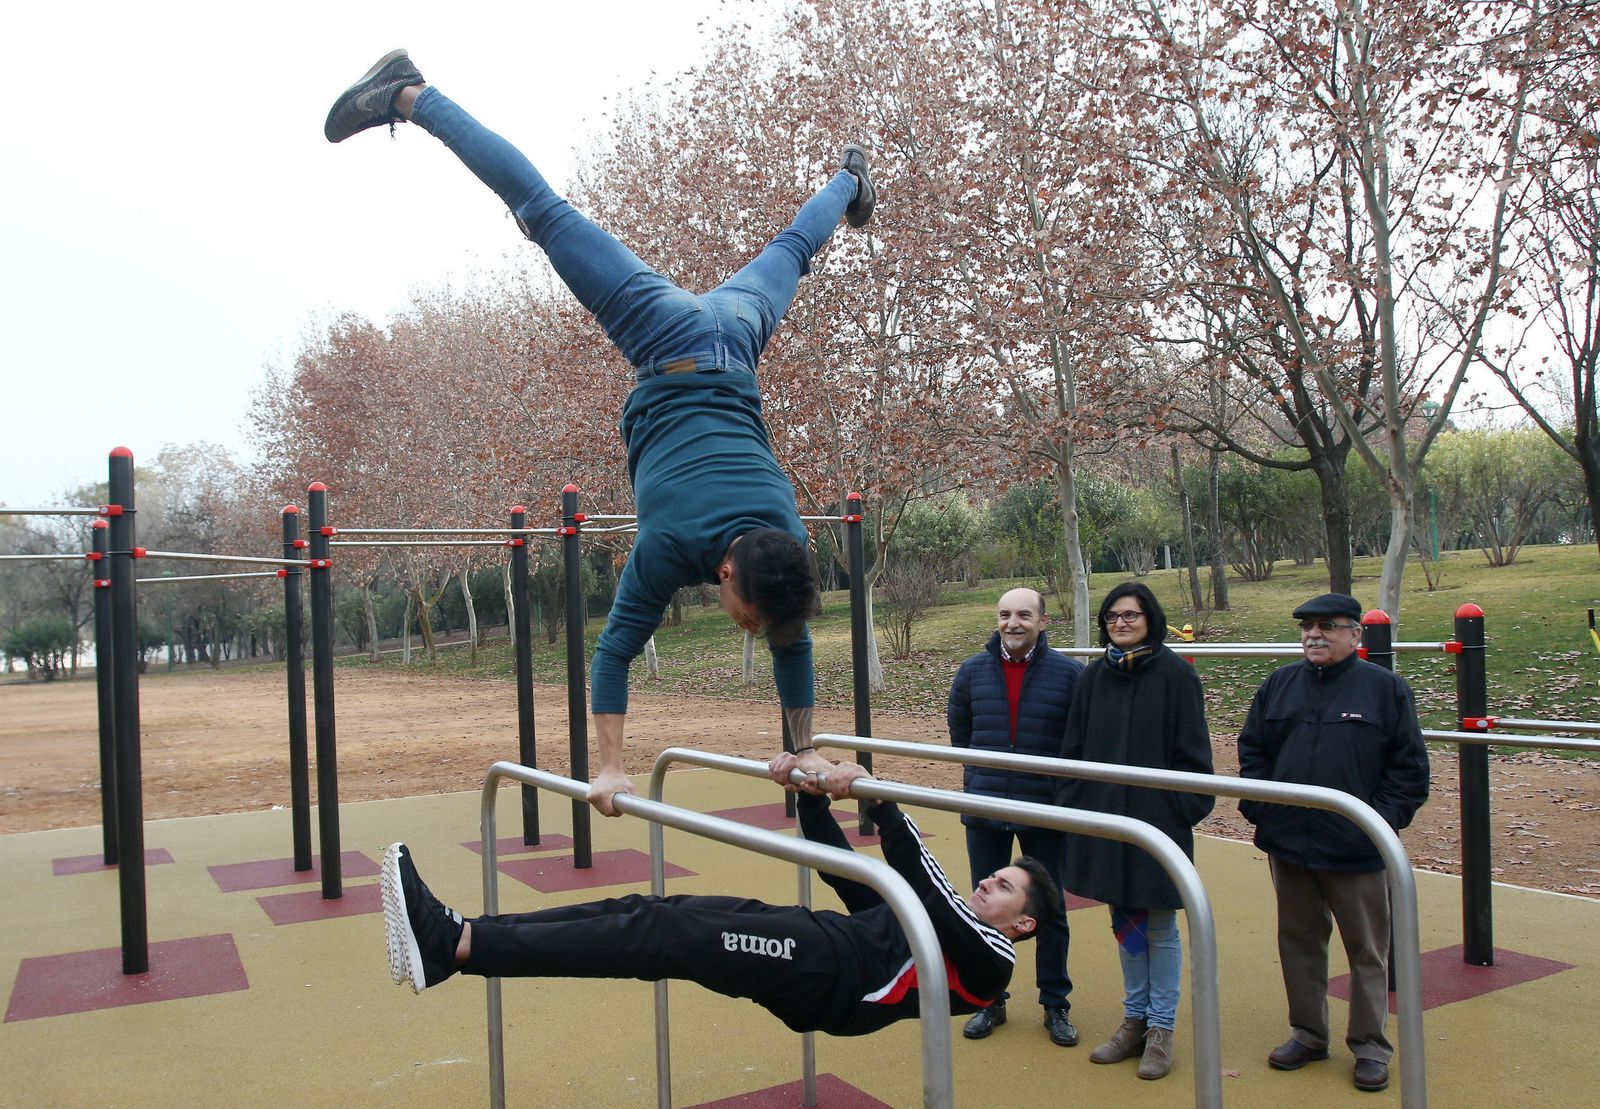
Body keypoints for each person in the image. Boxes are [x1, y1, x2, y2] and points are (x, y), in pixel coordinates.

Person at [325, 51, 878, 815]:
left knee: (792, 249)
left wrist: (804, 742)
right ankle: (410, 93)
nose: (753, 631)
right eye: (749, 619)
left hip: (735, 336)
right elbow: (613, 652)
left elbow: (795, 639)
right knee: (540, 211)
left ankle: (851, 180)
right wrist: (612, 767)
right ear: (725, 578)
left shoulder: (783, 548)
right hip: (668, 340)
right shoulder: (669, 548)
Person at [381, 757, 1058, 1037]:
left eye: (1003, 886)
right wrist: (807, 794)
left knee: (664, 938)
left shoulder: (989, 961)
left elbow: (925, 885)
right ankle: (461, 935)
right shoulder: (924, 922)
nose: (987, 881)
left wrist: (882, 799)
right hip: (813, 937)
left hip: (830, 976)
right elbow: (847, 874)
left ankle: (454, 945)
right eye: (995, 874)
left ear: (1023, 922)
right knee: (651, 912)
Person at [1237, 593, 1430, 1094]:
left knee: (1367, 949)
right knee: (1298, 942)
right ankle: (1308, 1033)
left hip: (1356, 852)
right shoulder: (1278, 686)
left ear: (1355, 635)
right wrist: (1263, 809)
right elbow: (1253, 751)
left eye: (1327, 626)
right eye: (1306, 627)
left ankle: (1369, 1045)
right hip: (1290, 845)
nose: (1313, 635)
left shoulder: (1385, 691)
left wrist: (1374, 824)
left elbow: (1409, 771)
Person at [1055, 582, 1214, 1081]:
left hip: (1157, 822)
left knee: (1161, 925)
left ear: (1150, 618)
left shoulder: (1175, 677)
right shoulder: (1093, 678)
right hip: (1106, 820)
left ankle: (1161, 1028)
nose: (1120, 624)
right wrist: (1076, 803)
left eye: (1131, 615)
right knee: (1125, 922)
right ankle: (1135, 1020)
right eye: (1112, 617)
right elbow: (1072, 750)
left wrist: (1178, 809)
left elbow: (1194, 757)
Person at [947, 586, 1081, 1047]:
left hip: (1043, 808)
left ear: (1043, 621)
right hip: (986, 807)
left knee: (1051, 910)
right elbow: (961, 736)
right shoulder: (971, 673)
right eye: (1005, 615)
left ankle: (1055, 1003)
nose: (1013, 623)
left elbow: (1076, 743)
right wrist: (978, 781)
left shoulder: (1068, 675)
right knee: (984, 908)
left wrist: (1060, 797)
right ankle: (989, 999)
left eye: (1024, 614)